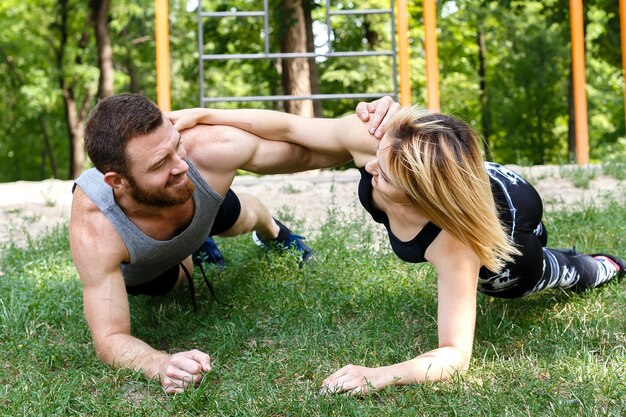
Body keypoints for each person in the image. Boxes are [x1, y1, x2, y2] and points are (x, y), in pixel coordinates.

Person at [168, 97, 625, 395]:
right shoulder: (388, 150)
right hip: (464, 176)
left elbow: (455, 354)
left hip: (513, 214)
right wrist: (205, 116)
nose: (368, 170)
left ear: (422, 196)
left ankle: (601, 264)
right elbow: (292, 127)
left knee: (536, 275)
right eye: (377, 162)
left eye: (382, 175)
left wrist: (380, 375)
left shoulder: (456, 244)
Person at [69, 94, 348, 394]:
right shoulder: (96, 223)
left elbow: (306, 152)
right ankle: (194, 249)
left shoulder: (203, 151)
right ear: (117, 181)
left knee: (242, 214)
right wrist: (159, 363)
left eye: (176, 145)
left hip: (196, 206)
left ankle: (275, 232)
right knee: (169, 282)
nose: (181, 165)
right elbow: (110, 337)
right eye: (160, 163)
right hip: (151, 267)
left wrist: (369, 139)